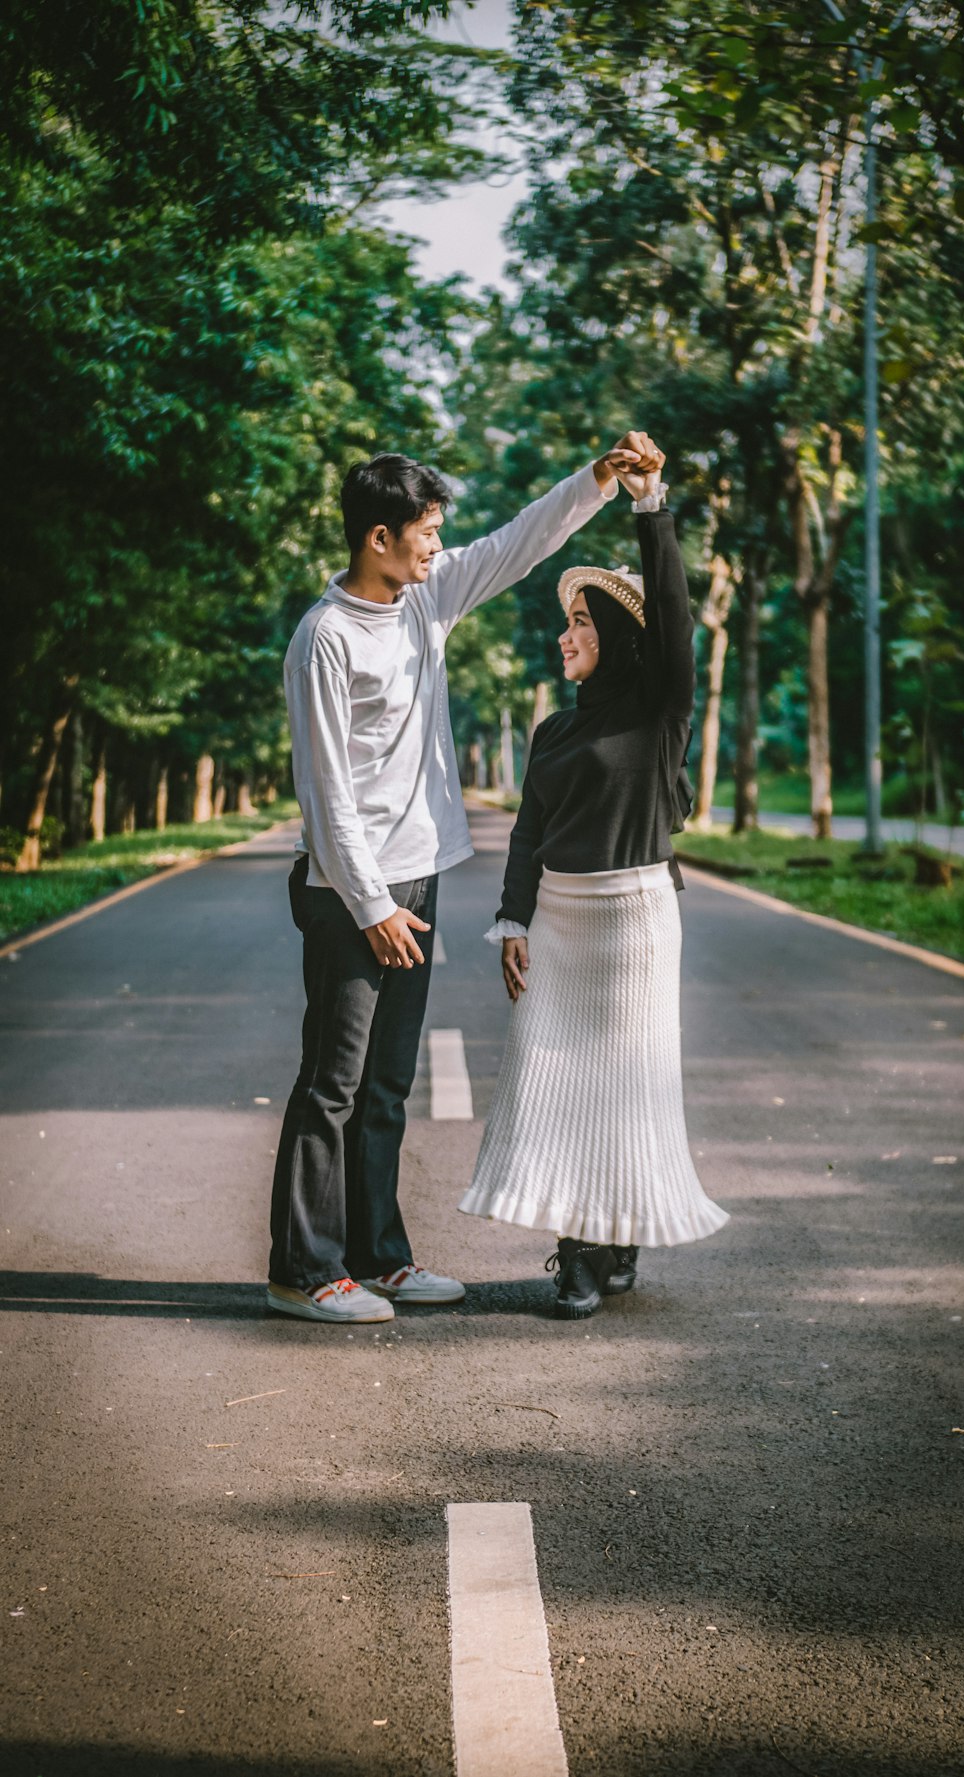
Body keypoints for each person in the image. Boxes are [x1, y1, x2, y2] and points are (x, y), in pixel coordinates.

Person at [267, 434, 657, 1324]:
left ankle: (378, 1257)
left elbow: (522, 541)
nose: (440, 545)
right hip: (348, 893)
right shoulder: (324, 640)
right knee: (333, 1083)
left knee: (387, 1086)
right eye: (427, 531)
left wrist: (599, 479)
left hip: (416, 881)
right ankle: (303, 1268)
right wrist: (370, 905)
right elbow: (325, 790)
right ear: (378, 538)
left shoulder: (426, 600)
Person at [459, 442, 729, 1318]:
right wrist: (512, 922)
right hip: (561, 923)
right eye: (567, 620)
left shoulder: (659, 716)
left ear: (615, 637)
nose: (566, 633)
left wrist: (652, 509)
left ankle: (614, 1232)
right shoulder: (552, 734)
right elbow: (528, 833)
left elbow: (678, 628)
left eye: (581, 622)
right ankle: (578, 1249)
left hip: (637, 921)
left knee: (626, 1080)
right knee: (556, 1081)